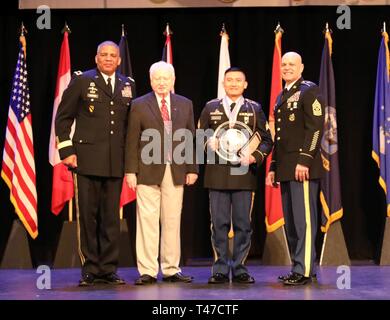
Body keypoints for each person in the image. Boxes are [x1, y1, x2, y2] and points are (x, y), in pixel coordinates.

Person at [55, 41, 134, 286]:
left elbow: (129, 126)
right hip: (86, 160)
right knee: (88, 217)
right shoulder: (81, 81)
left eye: (113, 55)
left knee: (111, 218)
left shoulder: (127, 85)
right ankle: (89, 269)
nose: (109, 59)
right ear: (96, 58)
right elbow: (63, 118)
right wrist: (66, 151)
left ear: (119, 60)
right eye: (104, 55)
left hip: (115, 162)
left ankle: (108, 269)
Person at [125, 61, 198, 285]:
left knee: (172, 220)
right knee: (147, 220)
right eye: (157, 78)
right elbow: (131, 141)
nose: (161, 82)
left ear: (173, 80)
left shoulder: (185, 104)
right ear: (150, 80)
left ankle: (170, 269)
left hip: (175, 170)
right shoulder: (139, 104)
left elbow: (190, 138)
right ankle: (147, 270)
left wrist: (192, 168)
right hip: (146, 170)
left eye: (166, 78)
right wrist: (130, 171)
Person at [198, 67, 273, 284]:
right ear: (223, 83)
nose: (233, 84)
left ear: (245, 84)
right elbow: (199, 134)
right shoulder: (211, 106)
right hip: (217, 173)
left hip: (244, 173)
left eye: (238, 80)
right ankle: (220, 268)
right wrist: (207, 142)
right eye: (229, 80)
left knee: (243, 224)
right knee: (219, 224)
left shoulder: (255, 108)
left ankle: (240, 268)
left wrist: (254, 157)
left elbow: (266, 139)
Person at [266, 52, 325, 286]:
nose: (287, 67)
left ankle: (305, 270)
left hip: (303, 167)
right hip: (286, 168)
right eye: (284, 64)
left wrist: (305, 159)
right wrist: (273, 166)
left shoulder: (309, 90)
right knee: (292, 222)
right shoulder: (282, 95)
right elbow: (279, 138)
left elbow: (316, 127)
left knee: (304, 221)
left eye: (292, 64)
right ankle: (298, 266)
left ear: (301, 67)